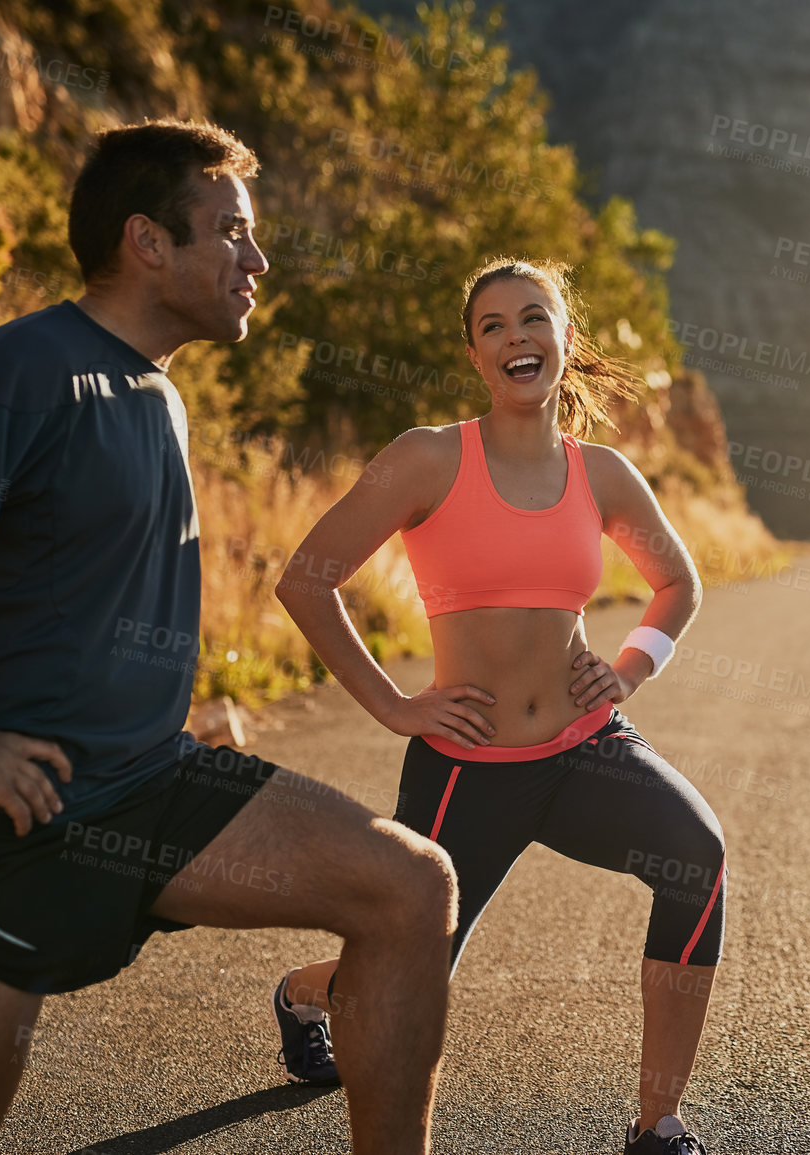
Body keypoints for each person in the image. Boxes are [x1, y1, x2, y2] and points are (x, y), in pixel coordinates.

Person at [0, 120, 459, 1155]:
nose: (256, 261)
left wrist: (167, 706)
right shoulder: (29, 364)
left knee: (410, 887)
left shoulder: (159, 394)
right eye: (231, 231)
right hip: (10, 826)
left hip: (150, 784)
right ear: (147, 241)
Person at [266, 256, 723, 1155]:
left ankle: (657, 1122)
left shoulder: (602, 474)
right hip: (466, 766)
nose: (517, 338)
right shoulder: (428, 457)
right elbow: (305, 581)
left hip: (586, 747)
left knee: (695, 859)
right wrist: (396, 705)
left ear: (563, 340)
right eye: (494, 326)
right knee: (410, 971)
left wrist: (629, 671)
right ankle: (307, 991)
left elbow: (676, 582)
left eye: (533, 319)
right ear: (475, 355)